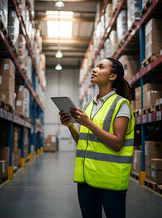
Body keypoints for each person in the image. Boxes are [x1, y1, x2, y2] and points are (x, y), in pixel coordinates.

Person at [59, 57, 135, 218]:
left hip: (110, 180)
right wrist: (70, 125)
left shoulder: (121, 104)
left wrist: (88, 123)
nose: (94, 70)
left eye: (101, 67)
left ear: (112, 76)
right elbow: (84, 142)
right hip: (86, 180)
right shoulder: (87, 106)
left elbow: (117, 143)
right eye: (95, 66)